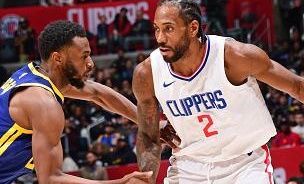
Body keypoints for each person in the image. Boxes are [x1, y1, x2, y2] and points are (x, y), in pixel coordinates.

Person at [132, 0, 304, 184]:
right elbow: (147, 137)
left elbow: (298, 87)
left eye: (168, 29)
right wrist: (146, 175)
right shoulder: (147, 73)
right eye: (156, 29)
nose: (160, 38)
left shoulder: (234, 56)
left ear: (192, 28)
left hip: (244, 166)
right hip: (187, 169)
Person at [0, 20, 177, 184]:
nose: (91, 63)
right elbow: (50, 178)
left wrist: (151, 124)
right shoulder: (43, 104)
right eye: (83, 56)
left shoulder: (37, 74)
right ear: (58, 58)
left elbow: (98, 93)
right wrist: (119, 183)